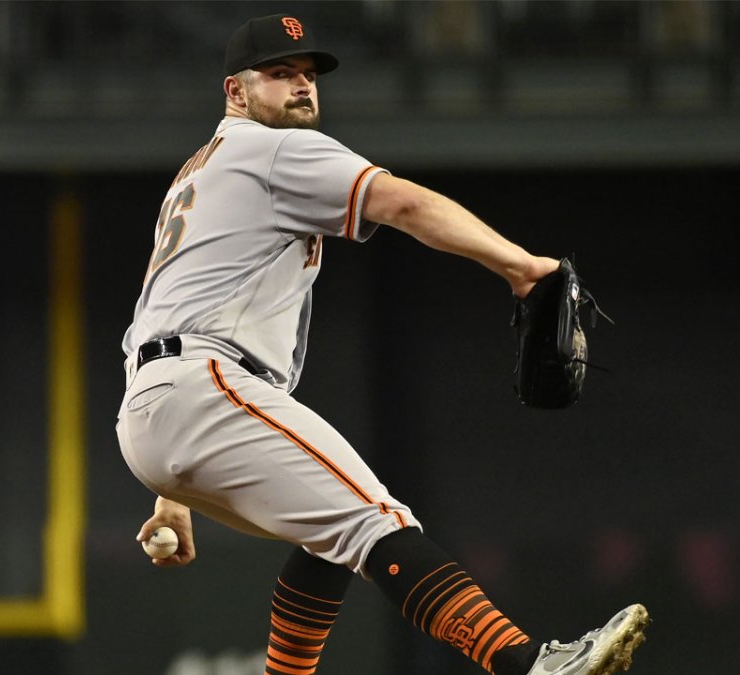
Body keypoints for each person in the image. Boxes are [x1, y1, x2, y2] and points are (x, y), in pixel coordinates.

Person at [117, 13, 648, 675]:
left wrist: (171, 493)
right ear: (235, 92)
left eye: (309, 75)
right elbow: (403, 204)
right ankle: (528, 663)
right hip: (202, 387)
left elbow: (156, 319)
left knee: (328, 536)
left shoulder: (199, 172)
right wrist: (520, 265)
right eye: (280, 74)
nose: (302, 87)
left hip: (161, 401)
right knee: (376, 520)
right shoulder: (272, 149)